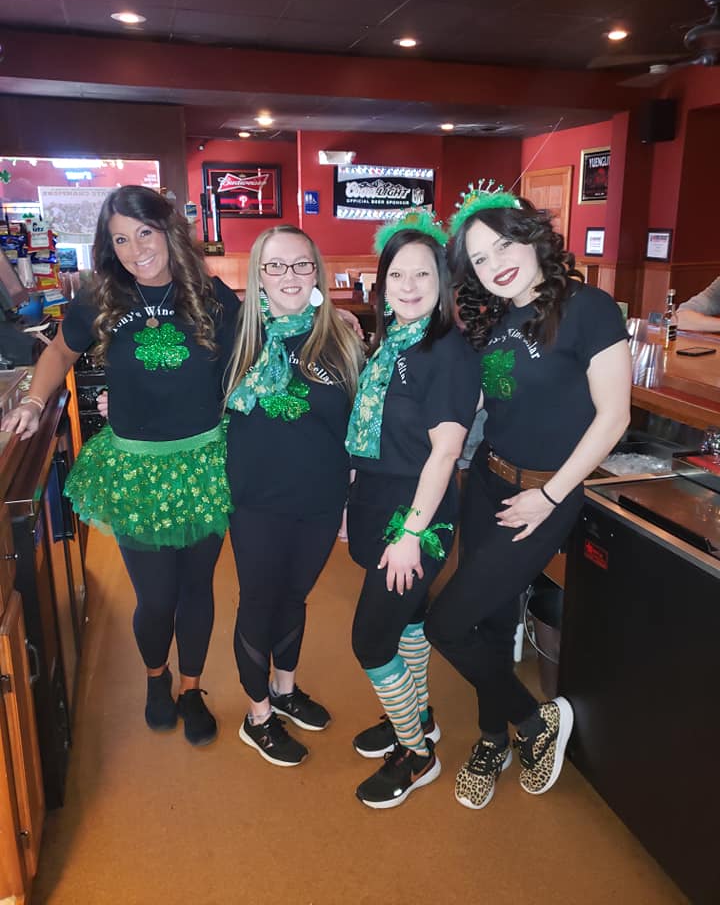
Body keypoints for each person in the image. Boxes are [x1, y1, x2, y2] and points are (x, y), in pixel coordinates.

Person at [2, 185, 240, 747]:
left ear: (168, 231)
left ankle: (191, 688)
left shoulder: (209, 294)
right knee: (156, 598)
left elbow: (254, 348)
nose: (136, 250)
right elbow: (60, 351)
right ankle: (156, 677)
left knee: (197, 589)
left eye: (145, 233)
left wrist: (325, 317)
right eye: (122, 240)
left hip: (205, 464)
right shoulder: (103, 294)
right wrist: (33, 402)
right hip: (136, 469)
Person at [423, 184, 631, 810]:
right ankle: (495, 737)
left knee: (445, 622)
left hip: (546, 495)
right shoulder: (491, 319)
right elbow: (478, 401)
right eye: (479, 259)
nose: (496, 264)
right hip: (489, 481)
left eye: (503, 246)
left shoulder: (588, 308)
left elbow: (614, 416)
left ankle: (536, 720)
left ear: (533, 238)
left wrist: (552, 496)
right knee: (488, 619)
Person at [345, 211, 483, 808]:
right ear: (381, 283)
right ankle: (418, 716)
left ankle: (417, 752)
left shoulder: (448, 352)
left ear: (443, 282)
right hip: (378, 500)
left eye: (422, 273)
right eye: (396, 274)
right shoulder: (393, 343)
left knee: (370, 641)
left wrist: (409, 534)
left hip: (416, 517)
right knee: (408, 619)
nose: (407, 285)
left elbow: (446, 451)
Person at [225, 225, 364, 767]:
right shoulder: (236, 336)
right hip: (257, 501)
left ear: (317, 273)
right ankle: (257, 715)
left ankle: (284, 689)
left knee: (295, 597)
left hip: (321, 500)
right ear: (258, 274)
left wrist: (351, 495)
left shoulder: (341, 339)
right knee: (260, 600)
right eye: (276, 265)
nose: (289, 276)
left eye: (302, 264)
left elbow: (357, 424)